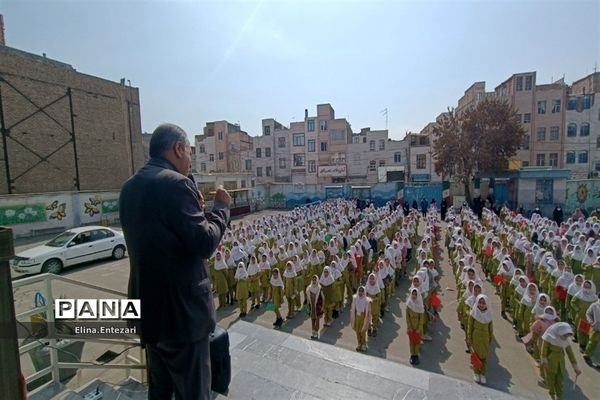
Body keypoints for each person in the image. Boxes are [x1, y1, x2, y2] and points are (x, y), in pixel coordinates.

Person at [120, 123, 231, 400]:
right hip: (182, 318)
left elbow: (163, 238)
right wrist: (221, 209)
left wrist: (195, 206)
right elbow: (205, 243)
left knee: (160, 389)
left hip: (148, 312)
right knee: (193, 392)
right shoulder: (176, 184)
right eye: (190, 152)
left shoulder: (129, 187)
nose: (190, 159)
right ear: (178, 148)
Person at [540, 323, 582, 400]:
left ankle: (558, 396)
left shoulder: (566, 341)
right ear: (560, 331)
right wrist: (544, 358)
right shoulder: (549, 337)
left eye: (567, 335)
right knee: (550, 380)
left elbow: (570, 354)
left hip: (560, 364)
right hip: (550, 362)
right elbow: (544, 349)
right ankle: (551, 393)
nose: (566, 337)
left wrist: (575, 367)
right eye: (565, 335)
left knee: (560, 380)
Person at [467, 294, 493, 384]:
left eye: (483, 303)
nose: (481, 305)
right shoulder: (474, 313)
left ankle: (482, 373)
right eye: (480, 303)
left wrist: (490, 338)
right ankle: (476, 372)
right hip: (476, 336)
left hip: (485, 337)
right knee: (476, 355)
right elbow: (470, 326)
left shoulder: (489, 315)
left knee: (484, 356)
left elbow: (490, 328)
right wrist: (469, 337)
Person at [406, 287, 426, 365]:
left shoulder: (420, 306)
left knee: (417, 342)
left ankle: (416, 355)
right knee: (411, 342)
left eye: (415, 294)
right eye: (413, 294)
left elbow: (422, 318)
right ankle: (412, 355)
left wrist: (419, 328)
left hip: (418, 327)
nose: (414, 296)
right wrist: (409, 326)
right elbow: (407, 317)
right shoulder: (409, 304)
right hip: (411, 327)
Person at [350, 286, 372, 352]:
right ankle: (359, 343)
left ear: (364, 292)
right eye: (359, 291)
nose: (360, 292)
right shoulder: (355, 298)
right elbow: (353, 308)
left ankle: (364, 344)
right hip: (357, 316)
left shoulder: (367, 301)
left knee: (363, 331)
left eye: (362, 291)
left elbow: (369, 312)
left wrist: (369, 320)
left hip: (363, 317)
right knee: (357, 331)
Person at [583, 293, 600, 367]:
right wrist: (591, 322)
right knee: (592, 342)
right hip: (596, 328)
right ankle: (587, 355)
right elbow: (588, 313)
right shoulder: (594, 305)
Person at [307, 275, 324, 339]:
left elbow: (323, 298)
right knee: (312, 319)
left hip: (318, 306)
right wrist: (307, 306)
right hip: (312, 306)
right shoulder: (309, 287)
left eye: (315, 280)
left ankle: (316, 332)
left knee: (317, 320)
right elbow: (308, 298)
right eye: (313, 280)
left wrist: (322, 306)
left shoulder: (319, 288)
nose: (314, 281)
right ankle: (313, 331)